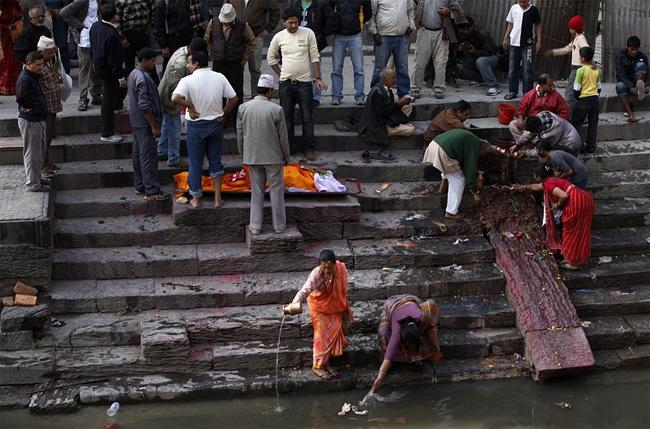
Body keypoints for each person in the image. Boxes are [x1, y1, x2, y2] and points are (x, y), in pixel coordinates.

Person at [171, 51, 238, 208]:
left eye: (189, 62)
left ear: (195, 63)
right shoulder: (219, 77)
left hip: (196, 126)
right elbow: (234, 99)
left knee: (195, 163)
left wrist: (190, 106)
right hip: (215, 123)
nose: (187, 65)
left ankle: (196, 199)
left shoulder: (187, 80)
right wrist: (223, 113)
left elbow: (175, 98)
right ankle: (217, 199)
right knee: (215, 161)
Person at [267, 7, 326, 161]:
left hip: (305, 83)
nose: (293, 25)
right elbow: (271, 58)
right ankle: (289, 148)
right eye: (290, 23)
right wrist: (281, 75)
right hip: (286, 84)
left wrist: (318, 78)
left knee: (308, 117)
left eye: (295, 22)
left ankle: (309, 148)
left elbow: (315, 56)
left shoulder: (308, 33)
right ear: (283, 23)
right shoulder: (279, 37)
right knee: (286, 117)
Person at [284, 249, 352, 380]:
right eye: (324, 267)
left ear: (334, 265)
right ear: (320, 265)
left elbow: (343, 288)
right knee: (321, 336)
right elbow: (304, 291)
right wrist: (294, 303)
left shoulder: (340, 269)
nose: (326, 270)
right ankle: (317, 366)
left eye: (329, 267)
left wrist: (344, 307)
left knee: (334, 332)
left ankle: (326, 364)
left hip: (335, 305)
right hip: (319, 306)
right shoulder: (316, 275)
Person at [237, 74, 290, 235]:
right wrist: (286, 156)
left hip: (252, 156)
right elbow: (283, 137)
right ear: (270, 91)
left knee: (257, 191)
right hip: (273, 157)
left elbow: (240, 134)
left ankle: (255, 225)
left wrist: (242, 154)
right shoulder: (276, 109)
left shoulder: (243, 108)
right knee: (276, 191)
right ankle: (279, 225)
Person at [516, 165, 594, 270]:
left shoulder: (548, 184)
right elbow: (537, 186)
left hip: (576, 203)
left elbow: (563, 196)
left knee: (571, 233)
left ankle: (573, 262)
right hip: (584, 199)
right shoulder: (551, 180)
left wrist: (558, 205)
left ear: (538, 176)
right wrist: (523, 187)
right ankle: (576, 258)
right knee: (581, 231)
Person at [370, 294, 442, 393]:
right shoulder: (397, 332)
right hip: (392, 304)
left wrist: (435, 348)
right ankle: (405, 357)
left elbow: (432, 325)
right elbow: (388, 357)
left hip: (411, 300)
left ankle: (415, 355)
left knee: (429, 332)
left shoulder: (422, 317)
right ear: (402, 337)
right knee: (384, 333)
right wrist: (379, 378)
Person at [157, 37, 207, 168]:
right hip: (169, 97)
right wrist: (187, 104)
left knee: (166, 124)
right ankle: (173, 157)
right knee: (174, 128)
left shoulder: (183, 51)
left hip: (167, 94)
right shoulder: (180, 63)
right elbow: (175, 87)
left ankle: (161, 150)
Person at [204, 2, 255, 128]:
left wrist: (245, 57)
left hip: (235, 64)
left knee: (236, 93)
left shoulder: (243, 25)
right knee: (218, 93)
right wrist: (213, 52)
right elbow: (207, 39)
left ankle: (236, 122)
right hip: (219, 63)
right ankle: (221, 122)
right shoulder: (213, 23)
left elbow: (252, 42)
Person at [128, 47, 168, 201]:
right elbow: (145, 106)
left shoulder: (133, 74)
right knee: (148, 157)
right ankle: (151, 190)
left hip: (137, 122)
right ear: (143, 61)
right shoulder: (143, 79)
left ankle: (140, 185)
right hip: (145, 123)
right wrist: (154, 126)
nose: (154, 64)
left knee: (138, 155)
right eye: (152, 61)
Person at [359, 67, 415, 163]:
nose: (395, 80)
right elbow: (381, 114)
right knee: (410, 129)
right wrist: (398, 104)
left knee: (408, 106)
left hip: (386, 118)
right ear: (385, 80)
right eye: (393, 78)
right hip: (377, 125)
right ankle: (396, 129)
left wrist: (401, 104)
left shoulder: (387, 90)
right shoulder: (378, 93)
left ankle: (398, 126)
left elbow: (389, 108)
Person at [228, 0, 281, 97]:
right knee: (237, 68)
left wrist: (268, 29)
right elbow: (226, 8)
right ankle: (237, 96)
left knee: (255, 68)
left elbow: (276, 10)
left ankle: (256, 95)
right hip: (237, 37)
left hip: (256, 36)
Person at [90, 2, 126, 144]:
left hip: (99, 66)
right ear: (114, 17)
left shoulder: (96, 26)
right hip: (109, 71)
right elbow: (114, 59)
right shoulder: (112, 34)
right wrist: (120, 76)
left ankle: (116, 105)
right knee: (108, 101)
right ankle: (107, 132)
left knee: (111, 96)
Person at [412, 0, 461, 99]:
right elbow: (412, 7)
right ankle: (415, 88)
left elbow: (458, 7)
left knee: (440, 63)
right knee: (419, 62)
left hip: (442, 31)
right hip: (424, 30)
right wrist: (414, 21)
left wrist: (449, 11)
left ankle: (439, 89)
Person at [60, 0, 103, 111]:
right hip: (85, 39)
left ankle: (96, 94)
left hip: (96, 37)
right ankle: (82, 99)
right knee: (85, 70)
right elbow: (64, 13)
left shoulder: (97, 1)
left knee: (96, 68)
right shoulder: (82, 1)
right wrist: (80, 26)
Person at [327, 0, 372, 106]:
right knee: (336, 68)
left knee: (359, 68)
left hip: (355, 35)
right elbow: (328, 11)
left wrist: (359, 23)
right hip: (338, 36)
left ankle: (360, 96)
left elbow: (368, 13)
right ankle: (336, 95)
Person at [368, 0, 415, 99]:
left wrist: (411, 25)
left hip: (402, 36)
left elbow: (410, 10)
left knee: (402, 67)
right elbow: (371, 14)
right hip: (383, 37)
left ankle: (403, 93)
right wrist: (374, 32)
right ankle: (376, 94)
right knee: (379, 68)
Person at [16, 51, 48, 192]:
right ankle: (33, 184)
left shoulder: (32, 76)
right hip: (30, 120)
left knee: (38, 152)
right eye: (37, 65)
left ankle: (36, 178)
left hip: (38, 118)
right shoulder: (25, 79)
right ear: (28, 64)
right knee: (32, 153)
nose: (40, 67)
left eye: (41, 64)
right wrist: (30, 108)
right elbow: (21, 98)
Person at [545, 15, 589, 112]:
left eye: (571, 28)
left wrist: (590, 62)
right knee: (578, 92)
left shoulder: (581, 39)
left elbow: (586, 49)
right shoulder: (576, 39)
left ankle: (567, 113)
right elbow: (566, 49)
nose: (569, 30)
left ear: (575, 29)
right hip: (578, 68)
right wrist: (553, 52)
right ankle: (579, 115)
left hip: (578, 68)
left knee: (569, 92)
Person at [509, 74, 569, 142]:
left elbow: (564, 113)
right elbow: (522, 108)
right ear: (542, 85)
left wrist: (554, 123)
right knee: (512, 125)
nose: (552, 87)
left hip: (548, 128)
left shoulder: (557, 96)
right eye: (549, 85)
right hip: (532, 125)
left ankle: (536, 145)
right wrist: (520, 118)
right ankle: (528, 147)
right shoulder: (531, 94)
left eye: (552, 85)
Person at [290, 0, 328, 107]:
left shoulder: (320, 3)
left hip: (314, 40)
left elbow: (331, 20)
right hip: (298, 41)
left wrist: (321, 35)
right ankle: (300, 96)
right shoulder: (296, 4)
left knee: (315, 69)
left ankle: (315, 96)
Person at [153, 0, 209, 73]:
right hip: (173, 40)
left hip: (193, 37)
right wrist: (163, 45)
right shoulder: (165, 2)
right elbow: (158, 24)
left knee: (194, 67)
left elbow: (204, 13)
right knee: (172, 68)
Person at [502, 0, 541, 100]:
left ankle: (527, 93)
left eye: (524, 2)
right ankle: (512, 91)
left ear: (529, 1)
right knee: (512, 69)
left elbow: (538, 25)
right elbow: (510, 24)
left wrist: (539, 41)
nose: (522, 4)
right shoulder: (514, 8)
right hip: (514, 43)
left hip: (528, 44)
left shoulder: (533, 10)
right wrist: (506, 38)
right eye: (520, 2)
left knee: (527, 69)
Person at [35, 36, 61, 176]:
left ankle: (47, 161)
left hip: (53, 105)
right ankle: (43, 165)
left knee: (49, 136)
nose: (52, 55)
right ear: (42, 51)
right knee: (44, 138)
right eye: (49, 52)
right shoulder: (37, 65)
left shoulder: (48, 62)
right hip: (45, 107)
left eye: (53, 52)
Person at [456, 17, 500, 96]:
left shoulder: (482, 33)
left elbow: (490, 51)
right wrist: (460, 49)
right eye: (463, 29)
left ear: (472, 26)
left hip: (492, 58)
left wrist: (475, 52)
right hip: (477, 56)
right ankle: (480, 80)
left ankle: (494, 86)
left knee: (481, 61)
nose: (465, 31)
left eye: (467, 29)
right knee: (465, 64)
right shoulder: (462, 34)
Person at [510, 111, 583, 158]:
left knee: (545, 157)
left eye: (534, 131)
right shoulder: (541, 115)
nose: (532, 133)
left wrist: (526, 153)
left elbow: (543, 151)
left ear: (538, 129)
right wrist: (517, 145)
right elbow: (529, 133)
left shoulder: (549, 134)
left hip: (570, 146)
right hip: (566, 135)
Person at [571, 46, 601, 154]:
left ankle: (580, 146)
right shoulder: (597, 70)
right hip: (595, 99)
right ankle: (591, 147)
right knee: (593, 123)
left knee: (576, 121)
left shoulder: (580, 70)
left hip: (584, 99)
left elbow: (576, 89)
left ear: (582, 58)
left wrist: (578, 98)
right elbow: (599, 87)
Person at [114, 0, 154, 79]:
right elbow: (117, 22)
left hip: (143, 33)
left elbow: (152, 13)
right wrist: (122, 38)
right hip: (128, 36)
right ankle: (132, 86)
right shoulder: (120, 2)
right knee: (129, 66)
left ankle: (152, 85)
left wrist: (149, 29)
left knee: (149, 61)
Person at [615, 36, 649, 123]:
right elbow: (620, 74)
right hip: (626, 83)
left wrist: (648, 84)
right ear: (627, 47)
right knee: (619, 86)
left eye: (636, 49)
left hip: (638, 82)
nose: (634, 52)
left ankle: (639, 90)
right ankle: (631, 113)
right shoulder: (620, 56)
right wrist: (630, 87)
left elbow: (648, 72)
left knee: (641, 65)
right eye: (632, 49)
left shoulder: (642, 57)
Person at [0, 1, 24, 95]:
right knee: (4, 61)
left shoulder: (13, 2)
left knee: (14, 61)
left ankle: (13, 86)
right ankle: (3, 87)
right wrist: (6, 27)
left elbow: (19, 13)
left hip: (13, 36)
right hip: (2, 39)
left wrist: (17, 22)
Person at [43, 0, 69, 73]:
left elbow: (66, 4)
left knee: (62, 45)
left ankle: (65, 72)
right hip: (45, 20)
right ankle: (53, 71)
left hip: (58, 19)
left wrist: (61, 11)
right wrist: (49, 11)